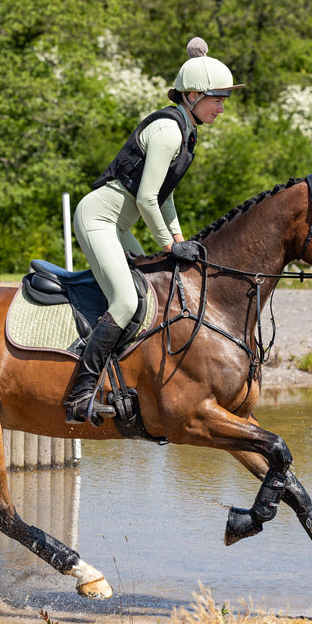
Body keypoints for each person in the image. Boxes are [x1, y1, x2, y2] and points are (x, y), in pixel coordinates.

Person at [64, 37, 243, 425]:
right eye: (217, 98)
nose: (221, 107)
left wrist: (177, 242)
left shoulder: (186, 132)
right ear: (193, 95)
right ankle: (79, 395)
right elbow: (146, 198)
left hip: (119, 223)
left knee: (155, 288)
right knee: (127, 302)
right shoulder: (168, 131)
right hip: (99, 219)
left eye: (224, 99)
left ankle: (127, 380)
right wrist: (166, 243)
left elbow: (164, 197)